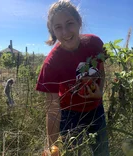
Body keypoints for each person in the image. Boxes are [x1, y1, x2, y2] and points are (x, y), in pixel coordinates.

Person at [36, 0, 109, 155]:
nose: (65, 32)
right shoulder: (51, 63)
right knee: (72, 152)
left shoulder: (95, 43)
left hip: (96, 108)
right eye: (58, 27)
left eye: (69, 23)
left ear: (79, 22)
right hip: (70, 115)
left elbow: (101, 70)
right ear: (53, 31)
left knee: (102, 151)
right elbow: (52, 110)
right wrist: (52, 147)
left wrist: (100, 91)